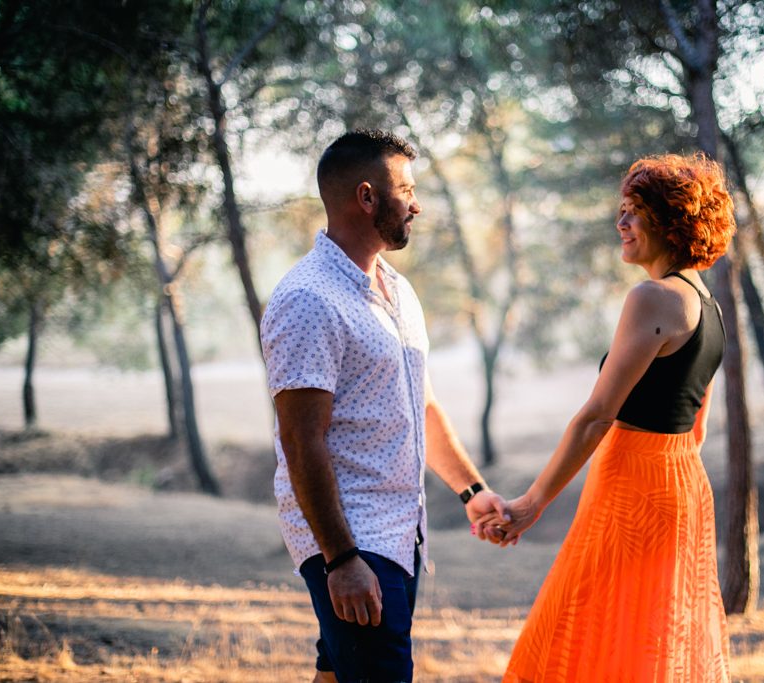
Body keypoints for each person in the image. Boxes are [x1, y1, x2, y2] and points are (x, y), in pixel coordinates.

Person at [260, 129, 509, 683]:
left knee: (340, 674)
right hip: (353, 538)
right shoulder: (308, 299)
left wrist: (471, 491)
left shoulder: (396, 290)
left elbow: (419, 406)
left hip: (401, 531)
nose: (417, 203)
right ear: (367, 197)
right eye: (407, 189)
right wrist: (341, 560)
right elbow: (302, 442)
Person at [480, 153, 734, 681]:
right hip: (684, 488)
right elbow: (698, 425)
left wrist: (530, 504)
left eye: (634, 212)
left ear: (672, 220)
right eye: (621, 210)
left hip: (632, 487)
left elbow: (597, 416)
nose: (621, 223)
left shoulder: (653, 298)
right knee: (650, 640)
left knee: (578, 636)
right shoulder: (707, 304)